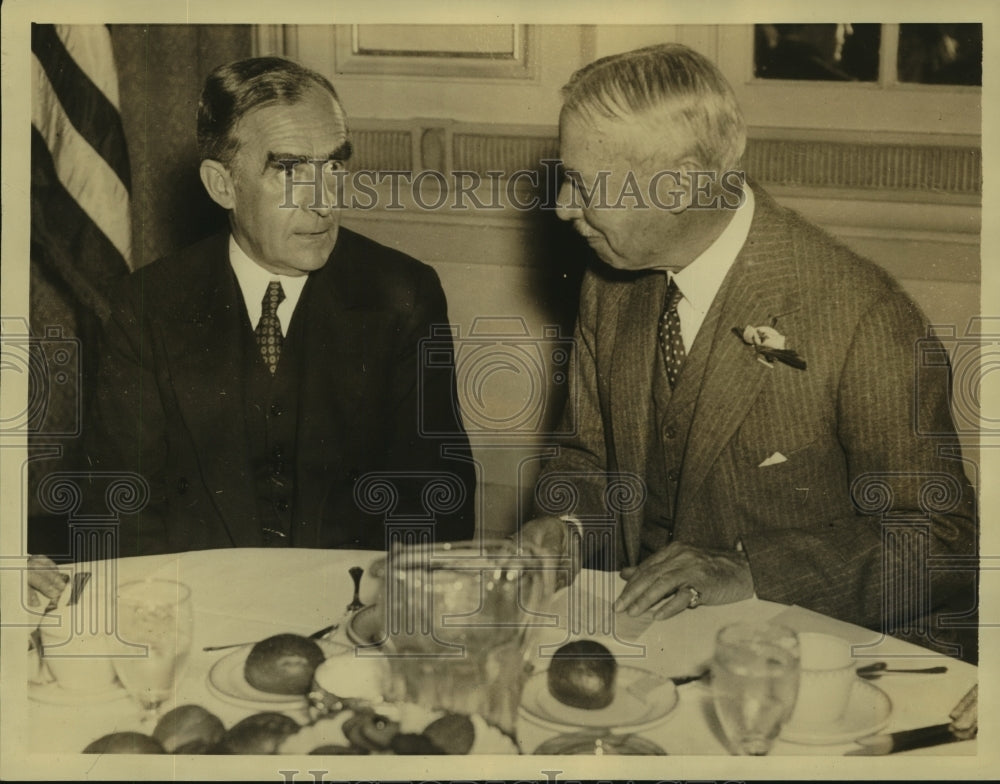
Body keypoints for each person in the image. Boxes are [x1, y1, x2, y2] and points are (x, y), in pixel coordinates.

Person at [520, 43, 977, 661]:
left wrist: (753, 572)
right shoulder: (611, 283)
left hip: (805, 660)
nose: (562, 207)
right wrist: (566, 530)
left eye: (580, 184)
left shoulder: (862, 315)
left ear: (678, 186)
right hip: (652, 650)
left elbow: (942, 540)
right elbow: (586, 455)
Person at [82, 56, 475, 555]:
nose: (324, 201)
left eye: (333, 165)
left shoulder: (402, 296)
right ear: (222, 185)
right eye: (289, 170)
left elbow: (434, 504)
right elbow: (117, 511)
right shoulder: (144, 307)